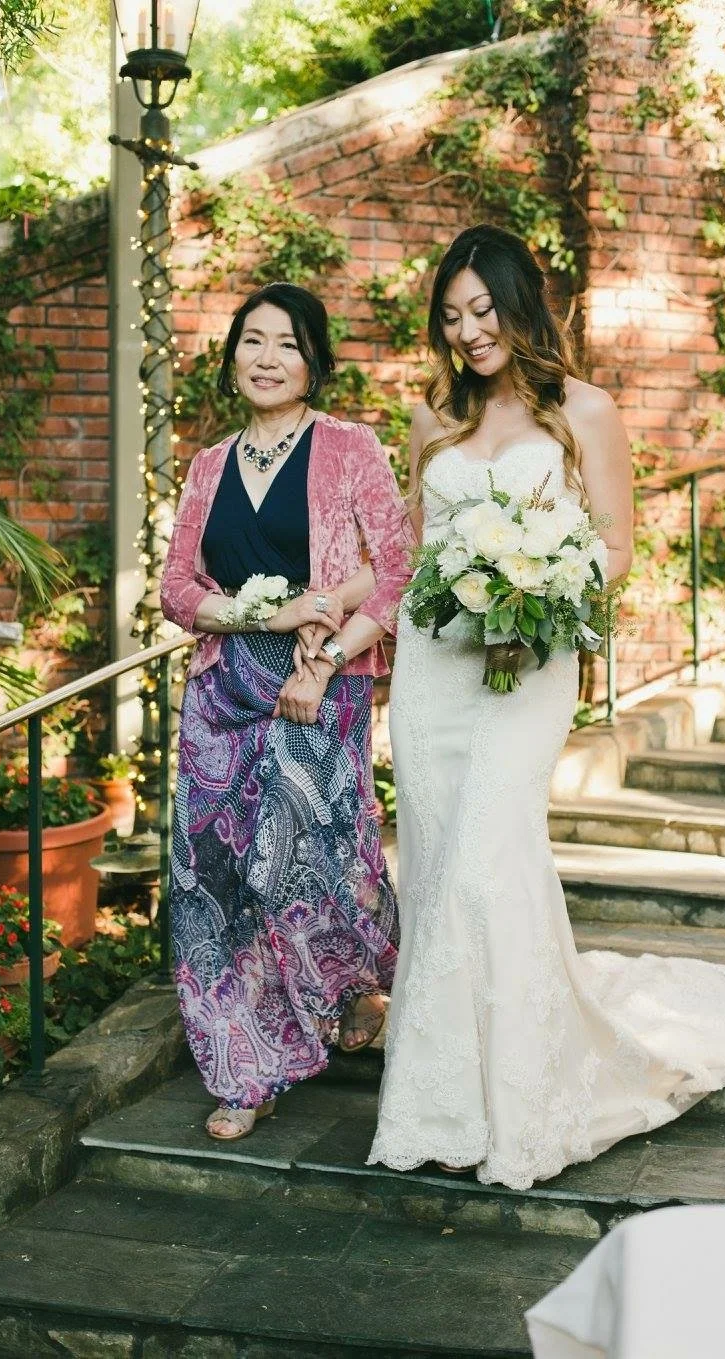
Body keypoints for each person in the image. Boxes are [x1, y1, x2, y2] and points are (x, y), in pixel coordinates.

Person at [368, 223, 725, 1190]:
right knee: (443, 867)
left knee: (489, 866)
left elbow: (613, 546)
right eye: (451, 317)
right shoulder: (430, 418)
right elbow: (419, 553)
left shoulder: (585, 410)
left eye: (483, 310)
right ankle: (443, 1103)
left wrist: (534, 589)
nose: (468, 332)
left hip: (527, 662)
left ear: (520, 305)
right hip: (436, 669)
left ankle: (520, 1101)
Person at [161, 282, 413, 1142]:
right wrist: (259, 615)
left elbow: (397, 569)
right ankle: (248, 1065)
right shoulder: (206, 467)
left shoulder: (348, 447)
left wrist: (329, 647)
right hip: (222, 692)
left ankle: (348, 984)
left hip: (318, 686)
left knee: (312, 871)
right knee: (214, 882)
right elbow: (176, 588)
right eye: (253, 341)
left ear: (314, 361)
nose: (267, 359)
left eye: (288, 344)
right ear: (233, 355)